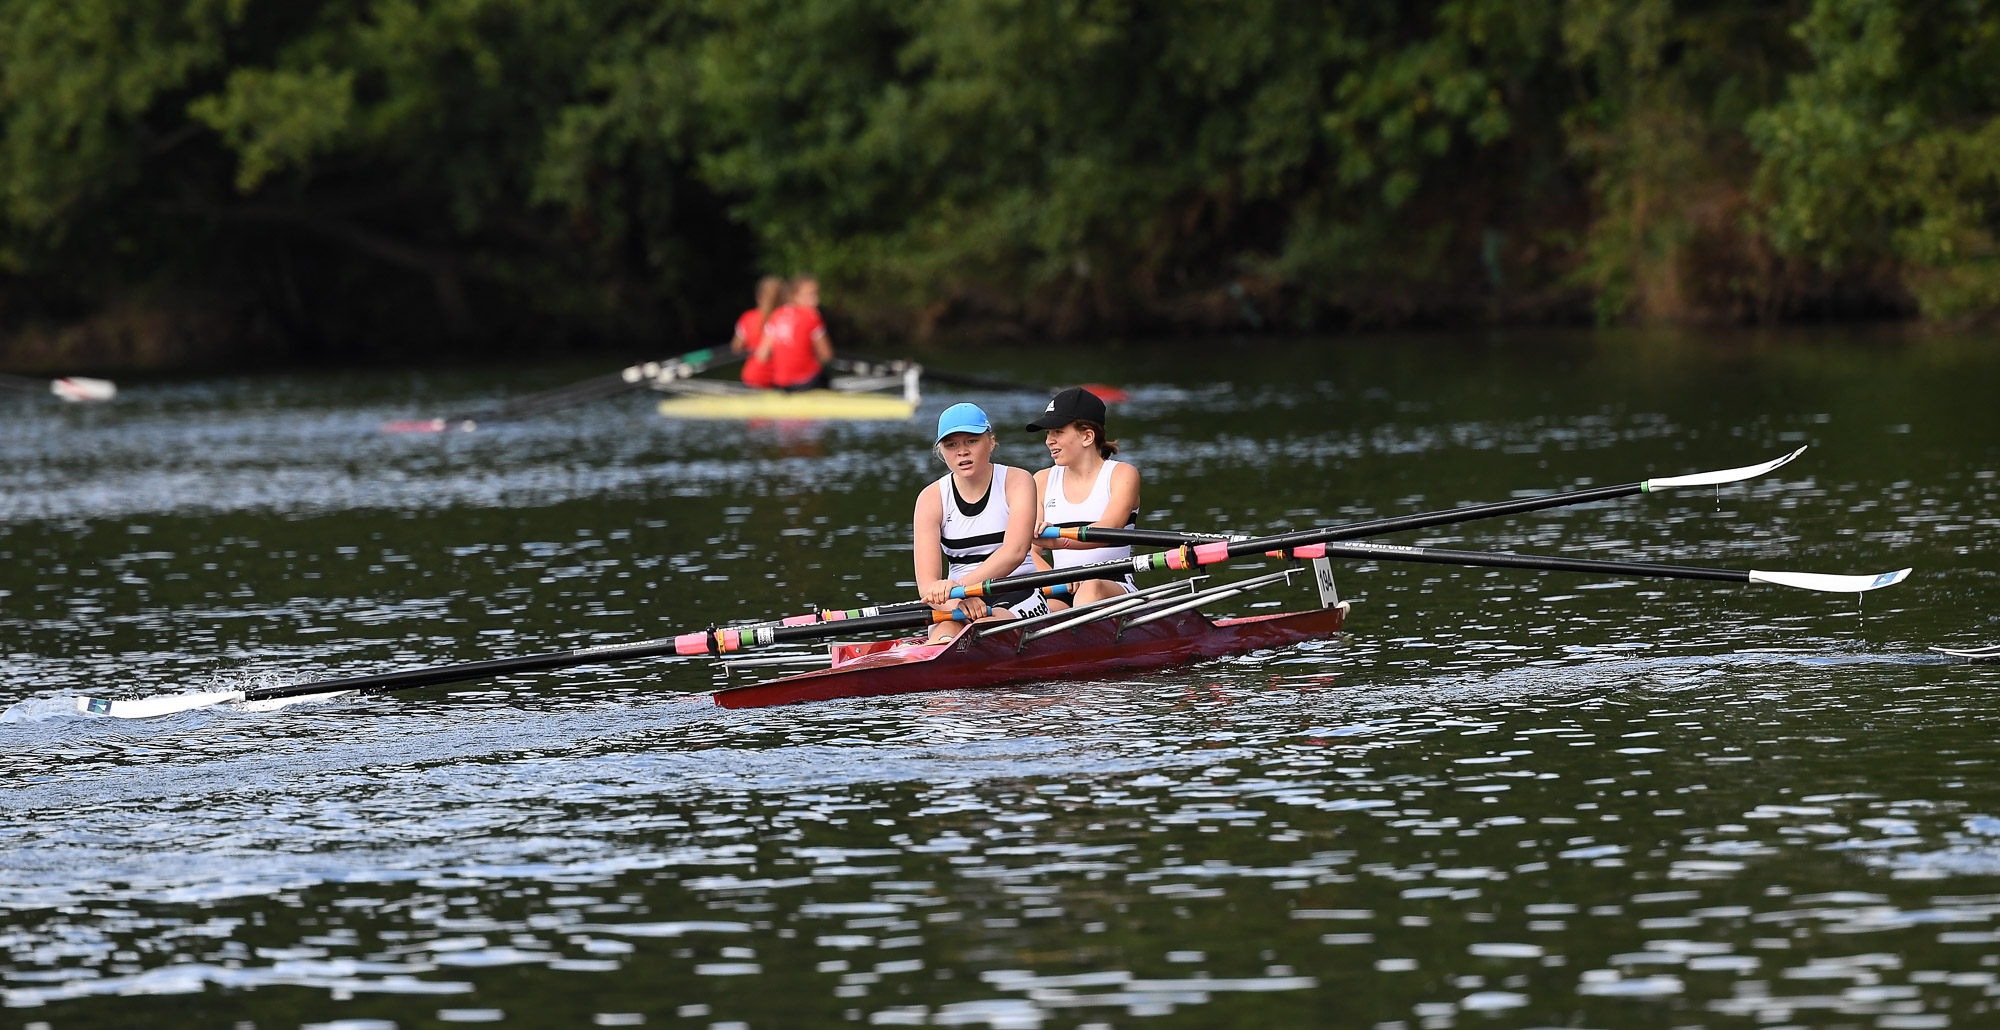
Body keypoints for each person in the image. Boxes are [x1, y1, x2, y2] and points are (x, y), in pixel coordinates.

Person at [913, 402, 1048, 641]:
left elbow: (1014, 552)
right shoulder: (930, 498)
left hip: (1018, 590)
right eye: (951, 445)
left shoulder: (1017, 481)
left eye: (971, 441)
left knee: (983, 630)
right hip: (956, 600)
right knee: (946, 634)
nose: (961, 452)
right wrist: (957, 601)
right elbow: (928, 587)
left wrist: (961, 588)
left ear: (991, 442)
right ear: (941, 452)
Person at [1027, 386, 1141, 608]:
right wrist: (1057, 579)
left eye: (1058, 432)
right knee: (1044, 610)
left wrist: (1058, 542)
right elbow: (1029, 553)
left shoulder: (1122, 475)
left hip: (1113, 586)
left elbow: (1108, 531)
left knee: (1091, 586)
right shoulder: (1041, 480)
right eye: (1047, 433)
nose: (1049, 441)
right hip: (1062, 586)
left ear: (1088, 436)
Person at [756, 274, 834, 390]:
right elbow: (827, 355)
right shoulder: (812, 315)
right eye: (808, 296)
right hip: (807, 383)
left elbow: (762, 355)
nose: (815, 301)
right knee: (824, 375)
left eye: (816, 295)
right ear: (793, 296)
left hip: (779, 384)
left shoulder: (775, 315)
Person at [733, 276, 786, 388]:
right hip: (779, 378)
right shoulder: (785, 319)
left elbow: (737, 347)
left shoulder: (747, 318)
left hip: (753, 376)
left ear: (758, 297)